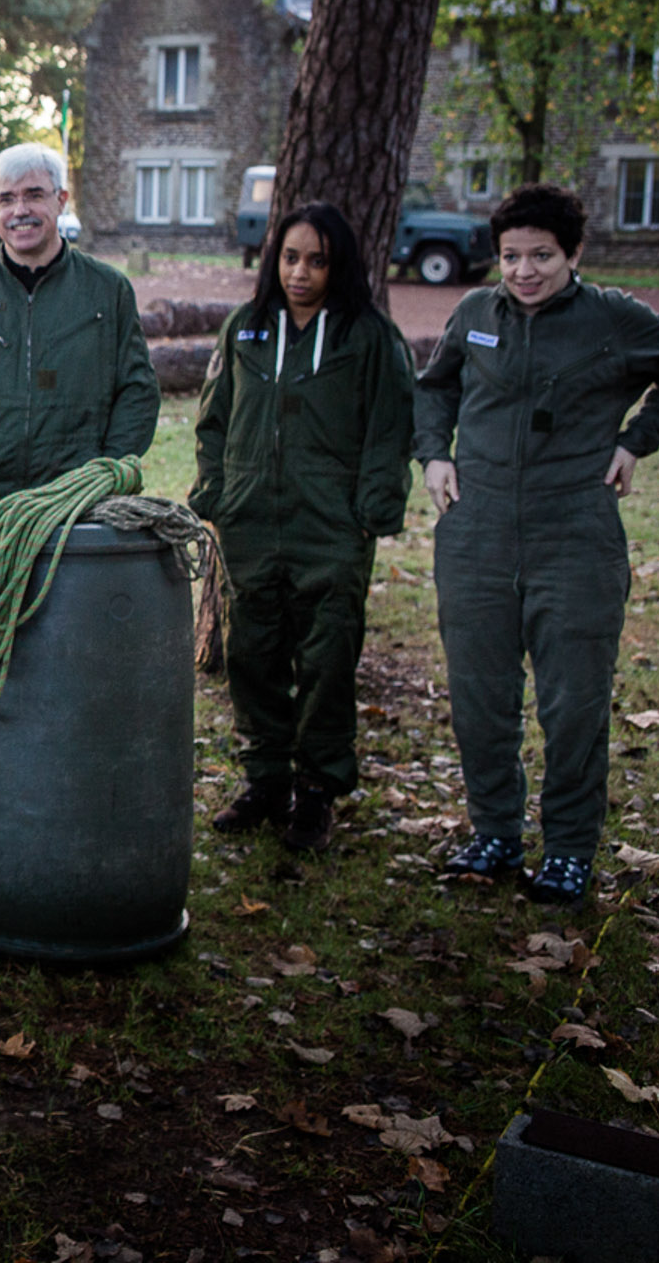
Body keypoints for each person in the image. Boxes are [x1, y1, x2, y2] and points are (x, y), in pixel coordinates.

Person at [415, 183, 659, 905]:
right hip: (476, 534)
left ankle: (569, 849)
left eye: (541, 256)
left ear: (573, 253)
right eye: (511, 256)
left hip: (573, 535)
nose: (522, 271)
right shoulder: (473, 312)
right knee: (480, 698)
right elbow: (435, 387)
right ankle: (493, 833)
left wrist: (635, 441)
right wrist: (434, 454)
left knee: (572, 705)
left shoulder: (611, 318)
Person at [191, 204, 415, 852]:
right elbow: (212, 419)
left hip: (331, 528)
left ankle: (316, 792)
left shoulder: (366, 337)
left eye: (316, 260)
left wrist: (370, 511)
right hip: (250, 522)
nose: (299, 272)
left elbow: (389, 428)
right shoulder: (247, 327)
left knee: (325, 659)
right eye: (289, 257)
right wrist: (215, 492)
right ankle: (264, 782)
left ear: (337, 265)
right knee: (251, 656)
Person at [0, 143, 158, 522]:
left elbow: (138, 391)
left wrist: (103, 475)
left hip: (75, 501)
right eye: (5, 199)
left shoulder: (107, 291)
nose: (19, 210)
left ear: (61, 200)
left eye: (33, 195)